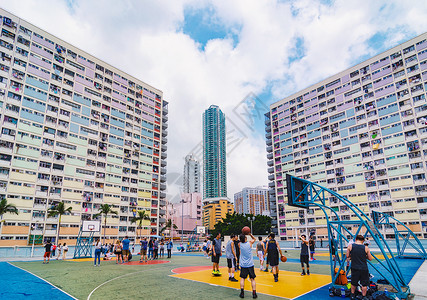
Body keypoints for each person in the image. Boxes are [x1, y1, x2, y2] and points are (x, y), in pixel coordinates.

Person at [346, 235, 373, 300]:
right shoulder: (366, 248)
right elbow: (370, 258)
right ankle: (364, 296)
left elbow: (347, 256)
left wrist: (352, 256)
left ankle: (352, 295)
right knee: (364, 283)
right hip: (363, 268)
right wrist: (364, 256)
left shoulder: (350, 246)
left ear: (355, 239)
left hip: (354, 267)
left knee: (353, 282)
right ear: (363, 241)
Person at [239, 233, 257, 299]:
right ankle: (254, 293)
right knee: (252, 279)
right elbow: (254, 239)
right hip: (250, 264)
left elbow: (240, 241)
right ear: (245, 238)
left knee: (242, 278)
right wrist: (250, 234)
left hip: (243, 265)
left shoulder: (239, 244)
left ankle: (242, 293)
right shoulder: (249, 243)